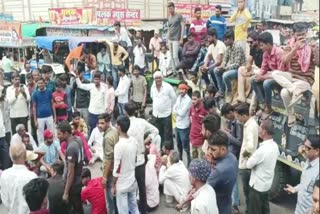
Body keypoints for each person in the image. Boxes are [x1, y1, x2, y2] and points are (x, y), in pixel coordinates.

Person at [271, 23, 319, 126]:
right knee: (275, 73)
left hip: (305, 80)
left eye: (303, 34)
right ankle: (294, 90)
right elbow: (284, 61)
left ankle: (291, 115)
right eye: (299, 35)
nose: (301, 37)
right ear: (294, 35)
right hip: (292, 78)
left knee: (284, 92)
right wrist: (295, 48)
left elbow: (318, 63)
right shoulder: (290, 45)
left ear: (307, 33)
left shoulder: (311, 45)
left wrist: (315, 50)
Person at [125, 102, 159, 214]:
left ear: (125, 112)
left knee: (130, 187)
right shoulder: (142, 122)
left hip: (129, 160)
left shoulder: (125, 124)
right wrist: (147, 140)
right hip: (140, 160)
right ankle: (143, 210)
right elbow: (155, 131)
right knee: (141, 187)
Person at [246, 120, 280, 214]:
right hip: (266, 186)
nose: (258, 129)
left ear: (264, 131)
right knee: (265, 210)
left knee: (254, 210)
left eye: (259, 127)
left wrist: (247, 154)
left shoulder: (262, 150)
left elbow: (249, 164)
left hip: (256, 187)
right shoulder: (275, 146)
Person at [250, 32, 284, 115]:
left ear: (268, 44)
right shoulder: (265, 53)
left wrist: (263, 77)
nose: (260, 47)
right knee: (253, 80)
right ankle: (263, 104)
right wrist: (259, 75)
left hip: (282, 77)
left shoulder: (279, 52)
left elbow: (280, 74)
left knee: (266, 83)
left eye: (262, 45)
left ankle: (268, 107)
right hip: (273, 75)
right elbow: (263, 68)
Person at [284, 135, 319, 214]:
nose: (304, 150)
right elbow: (305, 184)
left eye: (308, 148)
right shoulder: (308, 161)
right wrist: (295, 189)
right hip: (299, 210)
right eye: (304, 146)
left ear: (317, 151)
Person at [234, 102, 259, 214]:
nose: (237, 118)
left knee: (247, 191)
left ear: (244, 115)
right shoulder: (251, 123)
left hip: (246, 165)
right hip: (249, 163)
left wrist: (244, 158)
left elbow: (250, 146)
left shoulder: (250, 126)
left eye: (238, 116)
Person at [112, 115, 139, 214]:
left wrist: (113, 184)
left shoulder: (119, 146)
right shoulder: (134, 141)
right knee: (134, 208)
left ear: (119, 127)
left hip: (122, 184)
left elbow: (117, 169)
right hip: (132, 180)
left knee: (123, 211)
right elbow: (135, 160)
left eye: (116, 125)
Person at [206, 130, 238, 214]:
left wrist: (209, 164)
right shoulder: (233, 158)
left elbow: (203, 188)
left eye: (213, 149)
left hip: (218, 206)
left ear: (223, 149)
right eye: (209, 148)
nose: (209, 152)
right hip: (227, 202)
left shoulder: (218, 171)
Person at [0, 143, 37, 214]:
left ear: (10, 156)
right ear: (25, 156)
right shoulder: (32, 176)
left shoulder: (4, 175)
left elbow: (5, 200)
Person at [57, 121, 84, 214]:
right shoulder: (78, 139)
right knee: (79, 207)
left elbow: (70, 173)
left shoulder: (71, 148)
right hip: (79, 180)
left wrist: (66, 192)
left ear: (66, 133)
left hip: (73, 184)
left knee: (75, 208)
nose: (58, 136)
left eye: (59, 134)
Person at [220, 103, 243, 212]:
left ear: (230, 113)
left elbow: (239, 142)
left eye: (226, 116)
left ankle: (234, 204)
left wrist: (228, 135)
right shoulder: (233, 122)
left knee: (233, 179)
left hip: (235, 153)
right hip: (232, 152)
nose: (226, 118)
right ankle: (235, 201)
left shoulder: (238, 123)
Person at [214, 29, 246, 102]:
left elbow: (237, 64)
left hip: (239, 70)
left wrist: (225, 68)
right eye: (224, 40)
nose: (224, 41)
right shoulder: (228, 48)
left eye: (226, 39)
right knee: (216, 70)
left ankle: (229, 92)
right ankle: (221, 90)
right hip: (232, 68)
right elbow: (225, 60)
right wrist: (222, 66)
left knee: (225, 75)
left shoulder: (238, 47)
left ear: (231, 39)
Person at [99, 113, 119, 214]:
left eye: (102, 123)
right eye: (99, 123)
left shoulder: (108, 137)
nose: (99, 125)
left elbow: (108, 159)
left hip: (110, 172)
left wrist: (105, 177)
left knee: (110, 201)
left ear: (107, 123)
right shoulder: (114, 131)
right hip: (116, 169)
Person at [150, 71, 176, 148]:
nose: (158, 80)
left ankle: (169, 151)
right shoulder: (152, 87)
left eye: (159, 78)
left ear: (162, 78)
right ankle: (160, 150)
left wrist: (168, 108)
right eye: (156, 78)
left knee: (168, 135)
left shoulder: (168, 87)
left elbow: (174, 99)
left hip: (166, 115)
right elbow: (152, 97)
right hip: (156, 115)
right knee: (158, 134)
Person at [236, 31, 263, 103]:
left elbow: (263, 67)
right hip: (256, 68)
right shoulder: (252, 48)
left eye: (251, 42)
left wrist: (250, 73)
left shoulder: (262, 49)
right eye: (248, 42)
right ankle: (241, 96)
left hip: (261, 69)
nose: (249, 44)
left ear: (257, 40)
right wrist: (245, 70)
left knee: (252, 76)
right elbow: (249, 62)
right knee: (241, 69)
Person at [32, 77, 55, 145]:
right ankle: (41, 149)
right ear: (37, 84)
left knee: (51, 133)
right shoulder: (35, 94)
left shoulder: (49, 91)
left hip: (49, 115)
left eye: (41, 83)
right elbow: (34, 107)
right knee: (40, 135)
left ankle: (52, 146)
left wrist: (55, 117)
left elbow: (52, 104)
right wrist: (35, 120)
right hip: (40, 117)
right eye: (39, 83)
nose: (40, 84)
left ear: (44, 83)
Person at [173, 81, 192, 165]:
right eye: (180, 89)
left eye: (183, 89)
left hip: (184, 126)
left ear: (186, 90)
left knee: (186, 146)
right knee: (178, 145)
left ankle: (189, 161)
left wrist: (177, 111)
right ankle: (180, 161)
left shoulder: (188, 100)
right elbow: (174, 108)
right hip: (177, 124)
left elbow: (182, 113)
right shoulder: (179, 97)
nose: (181, 91)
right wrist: (177, 111)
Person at [167, 2, 185, 74]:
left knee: (175, 56)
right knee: (171, 57)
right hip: (170, 39)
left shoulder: (179, 16)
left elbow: (183, 26)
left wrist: (181, 38)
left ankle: (179, 71)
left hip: (176, 39)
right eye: (169, 9)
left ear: (174, 8)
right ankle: (174, 72)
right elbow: (169, 29)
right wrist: (167, 41)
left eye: (171, 9)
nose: (170, 10)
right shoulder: (169, 17)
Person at [190, 90, 208, 159]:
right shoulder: (191, 107)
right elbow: (191, 119)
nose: (193, 101)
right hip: (192, 138)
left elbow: (207, 122)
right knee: (193, 158)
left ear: (200, 98)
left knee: (201, 159)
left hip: (201, 139)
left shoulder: (204, 109)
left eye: (195, 99)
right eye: (192, 99)